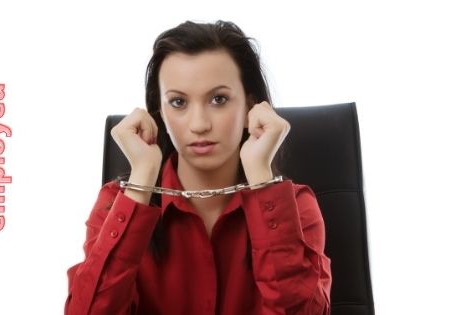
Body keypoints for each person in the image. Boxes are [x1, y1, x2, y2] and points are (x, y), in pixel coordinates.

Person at [64, 20, 331, 315]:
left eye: (219, 99)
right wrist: (141, 180)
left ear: (251, 107)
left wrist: (261, 179)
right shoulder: (117, 204)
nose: (199, 124)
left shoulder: (295, 207)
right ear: (159, 114)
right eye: (178, 102)